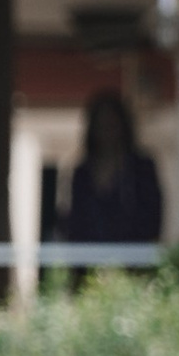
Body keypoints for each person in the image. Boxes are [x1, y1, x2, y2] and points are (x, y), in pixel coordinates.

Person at [53, 90, 163, 253]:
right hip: (87, 259)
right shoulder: (81, 172)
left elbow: (151, 217)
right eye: (101, 125)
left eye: (112, 125)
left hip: (131, 259)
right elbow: (72, 217)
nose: (107, 133)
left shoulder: (140, 168)